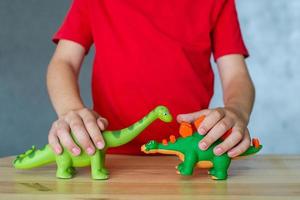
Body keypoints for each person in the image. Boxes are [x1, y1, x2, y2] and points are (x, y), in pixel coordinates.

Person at [47, 0, 255, 158]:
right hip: (108, 155)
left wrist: (236, 110)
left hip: (192, 153)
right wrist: (70, 109)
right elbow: (64, 62)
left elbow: (236, 74)